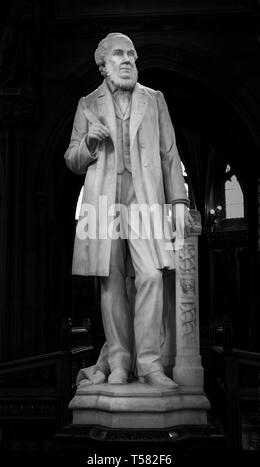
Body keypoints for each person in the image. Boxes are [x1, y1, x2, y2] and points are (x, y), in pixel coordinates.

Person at [64, 32, 194, 389]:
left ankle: (150, 363)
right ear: (103, 66)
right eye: (119, 55)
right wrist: (90, 141)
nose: (128, 61)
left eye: (132, 55)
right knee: (111, 283)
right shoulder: (87, 104)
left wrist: (179, 202)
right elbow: (72, 159)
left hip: (144, 201)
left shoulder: (154, 100)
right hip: (104, 204)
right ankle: (119, 362)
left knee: (151, 275)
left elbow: (170, 154)